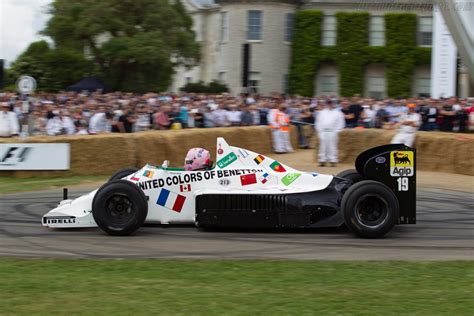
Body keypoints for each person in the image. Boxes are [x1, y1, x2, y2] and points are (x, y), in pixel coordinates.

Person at [315, 99, 345, 167]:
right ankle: (322, 160)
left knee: (332, 146)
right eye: (328, 103)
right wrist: (319, 131)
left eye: (331, 103)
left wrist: (337, 130)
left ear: (333, 104)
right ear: (326, 104)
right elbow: (318, 122)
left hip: (332, 132)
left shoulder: (338, 113)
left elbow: (341, 122)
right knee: (322, 146)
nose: (330, 105)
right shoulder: (322, 112)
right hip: (323, 131)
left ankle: (333, 160)